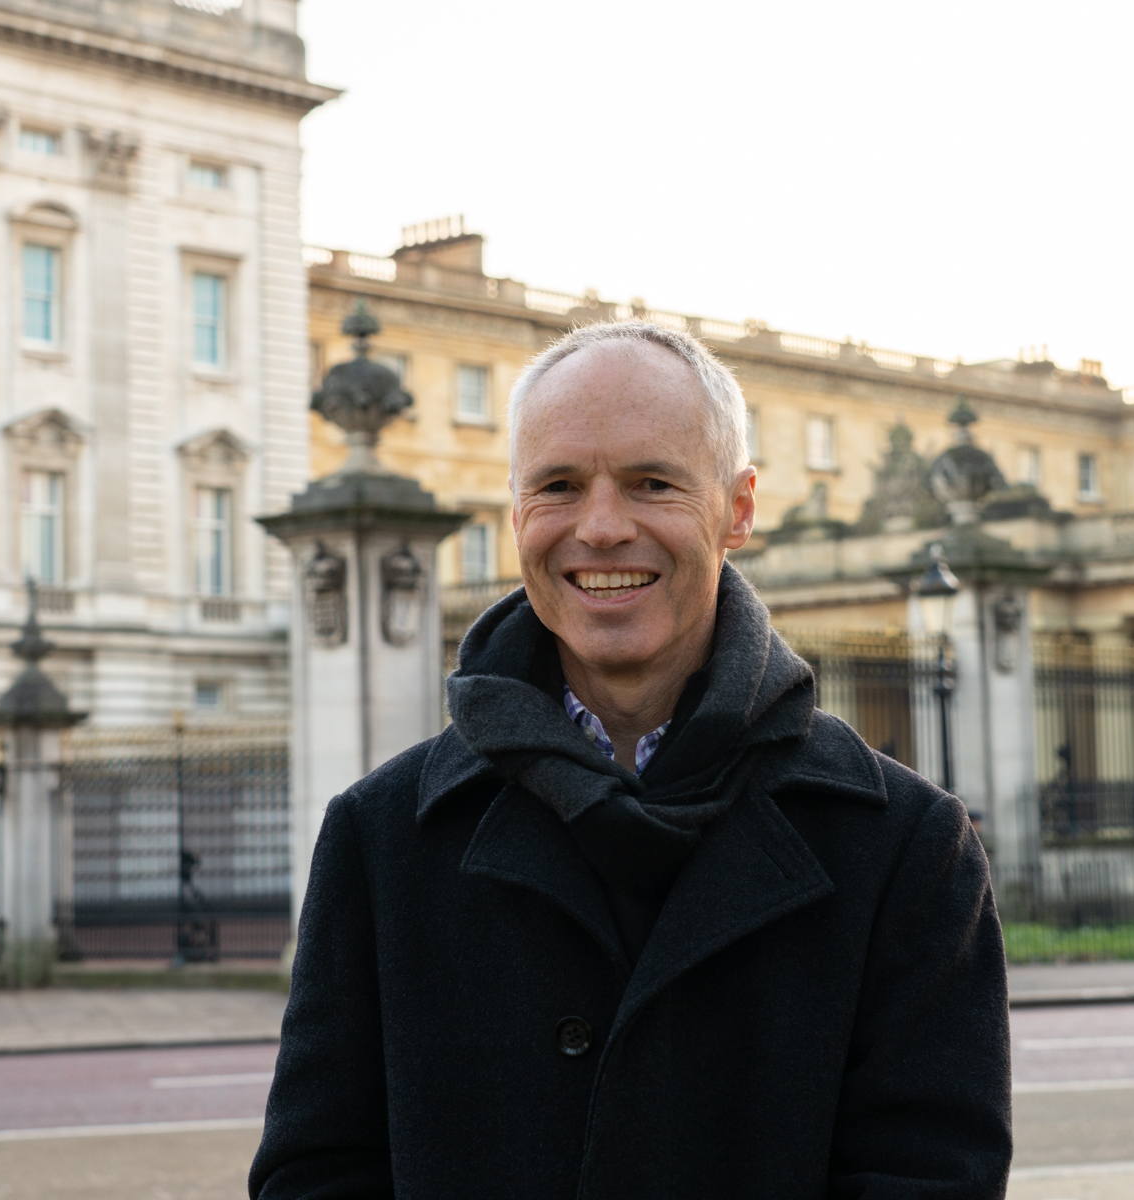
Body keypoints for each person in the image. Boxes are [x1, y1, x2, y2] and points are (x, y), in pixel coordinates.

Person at [249, 321, 1012, 1199]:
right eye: (559, 486)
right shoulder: (379, 835)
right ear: (515, 515)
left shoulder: (908, 847)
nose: (601, 528)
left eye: (653, 484)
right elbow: (317, 1177)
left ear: (740, 507)